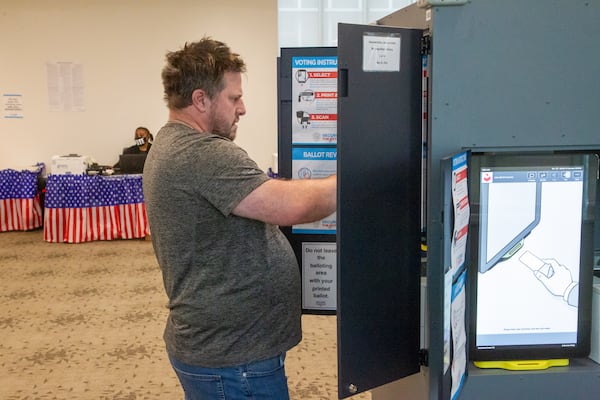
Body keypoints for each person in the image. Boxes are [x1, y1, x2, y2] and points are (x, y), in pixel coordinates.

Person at [143, 37, 336, 400]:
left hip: (228, 350)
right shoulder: (201, 153)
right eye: (234, 98)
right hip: (233, 360)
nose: (242, 108)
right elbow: (291, 206)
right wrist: (355, 175)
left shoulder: (174, 144)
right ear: (201, 99)